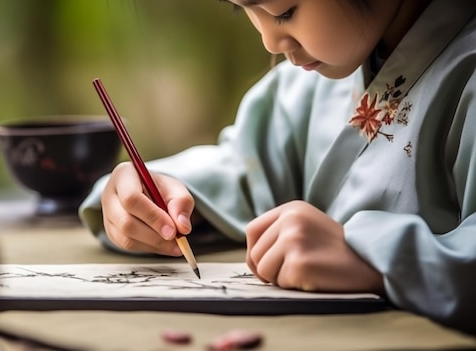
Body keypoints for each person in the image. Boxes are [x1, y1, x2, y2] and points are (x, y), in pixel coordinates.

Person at [79, 0, 476, 335]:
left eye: (285, 11)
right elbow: (243, 169)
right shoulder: (308, 85)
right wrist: (161, 197)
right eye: (243, 9)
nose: (269, 40)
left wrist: (376, 257)